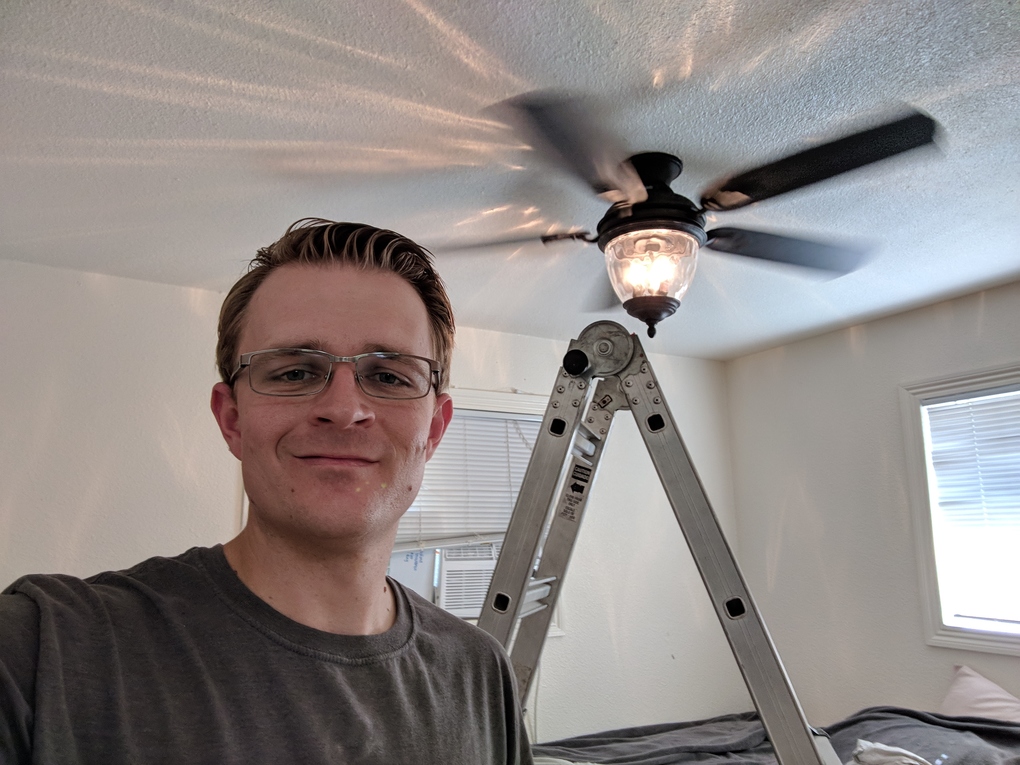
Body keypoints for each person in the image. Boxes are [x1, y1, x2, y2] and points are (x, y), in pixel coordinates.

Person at [0, 219, 534, 764]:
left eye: (389, 377)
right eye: (296, 372)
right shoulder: (42, 651)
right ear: (231, 419)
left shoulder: (482, 674)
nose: (344, 409)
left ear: (435, 430)